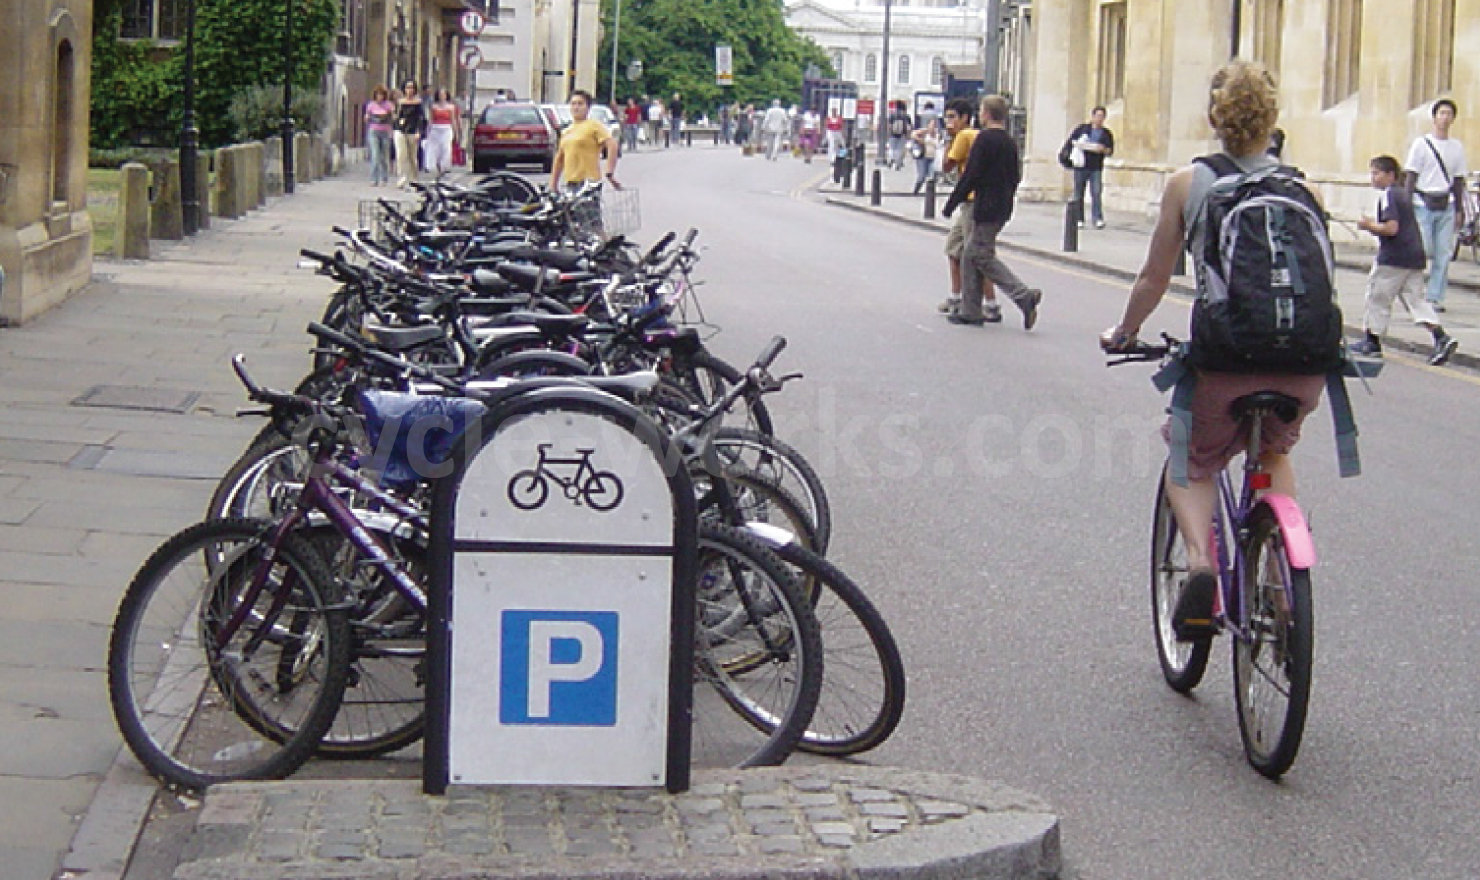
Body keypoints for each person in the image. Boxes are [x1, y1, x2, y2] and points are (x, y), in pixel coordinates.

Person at [1100, 61, 1328, 639]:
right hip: (1305, 364)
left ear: (1215, 118)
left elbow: (1154, 279)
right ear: (1273, 118)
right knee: (1273, 454)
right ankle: (1280, 585)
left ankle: (1201, 565)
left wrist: (1124, 333)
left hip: (1225, 359)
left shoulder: (1188, 184)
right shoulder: (1306, 188)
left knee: (1192, 458)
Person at [941, 95, 1040, 328]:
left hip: (985, 205)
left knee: (978, 254)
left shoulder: (984, 140)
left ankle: (1023, 295)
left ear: (985, 114)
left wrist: (952, 203)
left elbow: (971, 175)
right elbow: (1015, 176)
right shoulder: (1009, 141)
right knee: (969, 254)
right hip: (1003, 205)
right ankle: (971, 310)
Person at [1353, 155, 1459, 366]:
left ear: (1390, 175)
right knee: (1416, 301)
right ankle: (1440, 337)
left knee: (1378, 297)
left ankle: (1372, 341)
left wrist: (1368, 226)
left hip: (1393, 258)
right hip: (1413, 256)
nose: (1373, 177)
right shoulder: (1403, 194)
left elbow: (1392, 228)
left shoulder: (1388, 195)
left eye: (1376, 173)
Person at [1404, 98, 1468, 312]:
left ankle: (1435, 297)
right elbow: (1411, 175)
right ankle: (1415, 291)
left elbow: (1458, 180)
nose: (1444, 118)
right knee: (1424, 249)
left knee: (1443, 253)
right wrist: (1405, 204)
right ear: (1434, 117)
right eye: (1441, 113)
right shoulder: (1421, 145)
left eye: (1449, 114)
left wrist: (1459, 209)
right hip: (1423, 202)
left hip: (1446, 202)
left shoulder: (1456, 147)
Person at [936, 98, 998, 319]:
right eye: (946, 116)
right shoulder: (977, 136)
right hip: (977, 201)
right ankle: (959, 297)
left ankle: (989, 304)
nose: (948, 121)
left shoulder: (963, 136)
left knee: (978, 256)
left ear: (964, 118)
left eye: (953, 116)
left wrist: (948, 141)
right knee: (957, 250)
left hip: (971, 202)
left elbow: (947, 165)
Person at [1064, 107, 1115, 228]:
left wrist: (1102, 149)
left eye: (1102, 116)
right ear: (1092, 117)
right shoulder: (1082, 129)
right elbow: (1072, 142)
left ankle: (1097, 218)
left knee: (1096, 192)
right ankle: (1079, 218)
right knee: (1078, 192)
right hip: (1081, 165)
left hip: (1096, 167)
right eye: (1097, 116)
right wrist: (1082, 145)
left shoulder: (1106, 134)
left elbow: (1110, 150)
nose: (1099, 119)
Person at [392, 81, 425, 188]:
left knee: (412, 156)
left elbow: (421, 119)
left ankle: (413, 179)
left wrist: (419, 131)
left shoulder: (418, 103)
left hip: (412, 131)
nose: (409, 90)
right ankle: (402, 178)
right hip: (400, 130)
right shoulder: (400, 102)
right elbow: (396, 116)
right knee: (401, 155)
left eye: (412, 88)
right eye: (407, 88)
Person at [422, 88, 461, 175]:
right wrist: (427, 131)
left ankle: (445, 166)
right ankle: (432, 165)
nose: (442, 97)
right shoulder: (433, 106)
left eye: (443, 95)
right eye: (440, 95)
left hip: (446, 128)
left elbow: (453, 120)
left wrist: (456, 133)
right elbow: (431, 120)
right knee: (434, 148)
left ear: (446, 96)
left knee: (446, 147)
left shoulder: (451, 107)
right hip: (435, 128)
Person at [364, 85, 395, 187]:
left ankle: (384, 178)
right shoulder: (371, 105)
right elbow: (367, 117)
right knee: (375, 155)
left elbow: (393, 117)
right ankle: (374, 179)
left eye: (381, 95)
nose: (379, 97)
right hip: (374, 131)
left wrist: (389, 117)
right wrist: (368, 117)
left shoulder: (388, 105)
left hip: (385, 132)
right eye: (378, 95)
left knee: (383, 156)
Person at [910, 116, 939, 194]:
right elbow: (912, 135)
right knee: (922, 176)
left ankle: (930, 193)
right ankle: (916, 191)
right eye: (931, 124)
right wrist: (921, 140)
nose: (933, 127)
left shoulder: (938, 134)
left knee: (932, 177)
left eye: (935, 125)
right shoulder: (924, 132)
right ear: (928, 125)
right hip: (923, 157)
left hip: (933, 157)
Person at [886, 101, 911, 169]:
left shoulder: (892, 115)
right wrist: (908, 135)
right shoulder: (906, 116)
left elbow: (889, 125)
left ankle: (891, 159)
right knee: (899, 149)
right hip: (902, 134)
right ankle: (898, 163)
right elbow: (909, 127)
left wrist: (889, 132)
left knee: (892, 148)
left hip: (893, 134)